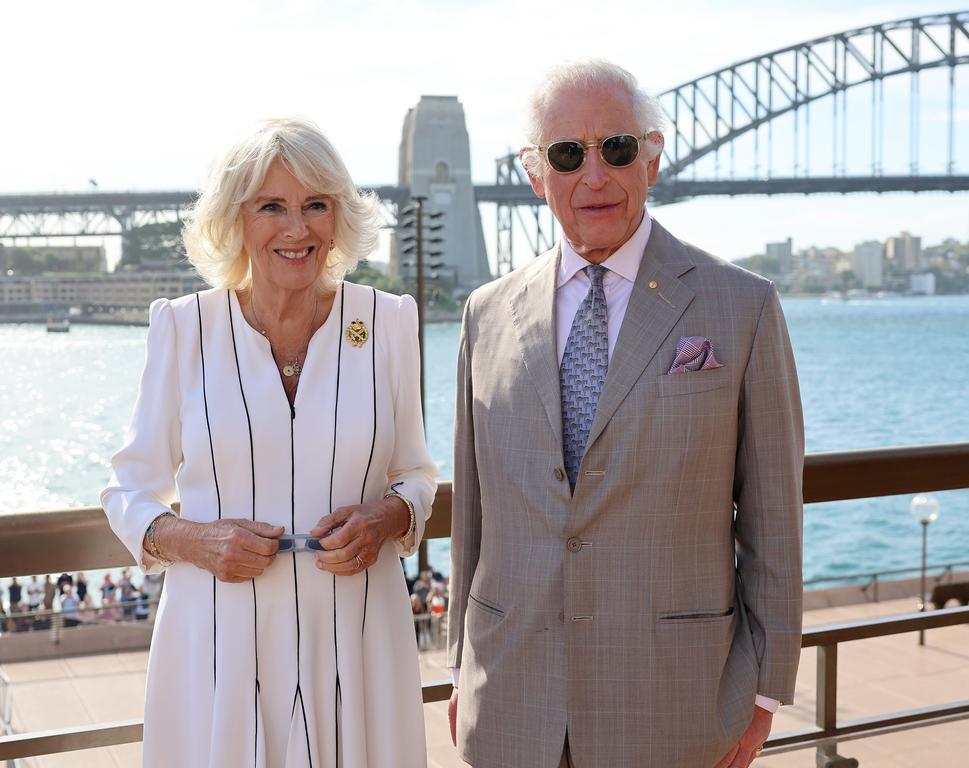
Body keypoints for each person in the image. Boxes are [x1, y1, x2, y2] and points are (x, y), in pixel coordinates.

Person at [447, 60, 804, 768]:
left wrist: (763, 694)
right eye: (566, 154)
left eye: (615, 148)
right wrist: (461, 664)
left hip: (678, 705)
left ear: (653, 156)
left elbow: (774, 517)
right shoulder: (483, 315)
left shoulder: (743, 307)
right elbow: (474, 515)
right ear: (533, 172)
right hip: (511, 700)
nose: (595, 175)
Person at [101, 117, 437, 767]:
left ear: (339, 218)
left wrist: (384, 517)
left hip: (358, 638)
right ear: (236, 219)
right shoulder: (183, 328)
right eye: (272, 207)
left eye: (316, 205)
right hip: (219, 644)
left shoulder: (387, 324)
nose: (297, 227)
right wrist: (194, 540)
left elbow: (418, 475)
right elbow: (128, 490)